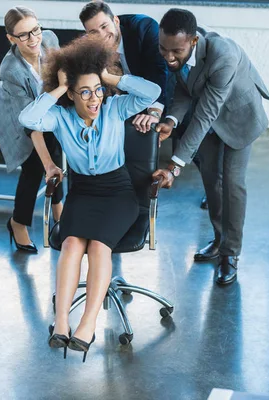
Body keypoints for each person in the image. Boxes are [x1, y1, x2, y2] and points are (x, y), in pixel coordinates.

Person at [19, 37, 160, 361]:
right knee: (70, 245)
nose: (94, 98)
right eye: (84, 92)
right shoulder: (61, 116)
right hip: (82, 192)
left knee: (98, 246)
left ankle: (88, 322)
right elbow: (29, 120)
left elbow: (151, 92)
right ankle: (62, 322)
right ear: (70, 93)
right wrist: (57, 89)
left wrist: (107, 78)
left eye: (97, 91)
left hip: (118, 193)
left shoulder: (114, 107)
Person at [152, 9, 269, 285]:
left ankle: (231, 254)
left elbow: (205, 114)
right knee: (210, 179)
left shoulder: (223, 57)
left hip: (238, 117)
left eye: (176, 51)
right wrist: (171, 119)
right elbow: (185, 89)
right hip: (208, 118)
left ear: (193, 42)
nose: (169, 57)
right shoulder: (178, 47)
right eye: (163, 48)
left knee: (232, 183)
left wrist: (174, 165)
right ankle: (220, 239)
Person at [0, 6, 64, 254]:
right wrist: (47, 164)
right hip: (16, 113)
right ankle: (18, 223)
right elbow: (31, 124)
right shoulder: (11, 71)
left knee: (56, 156)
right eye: (23, 35)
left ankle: (59, 213)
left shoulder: (50, 39)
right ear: (11, 38)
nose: (33, 39)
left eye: (35, 30)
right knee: (34, 166)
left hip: (48, 107)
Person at [78, 1, 168, 133]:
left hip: (155, 95)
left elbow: (158, 70)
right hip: (120, 105)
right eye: (94, 33)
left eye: (104, 26)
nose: (102, 36)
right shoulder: (88, 45)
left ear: (116, 20)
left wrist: (154, 113)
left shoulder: (145, 28)